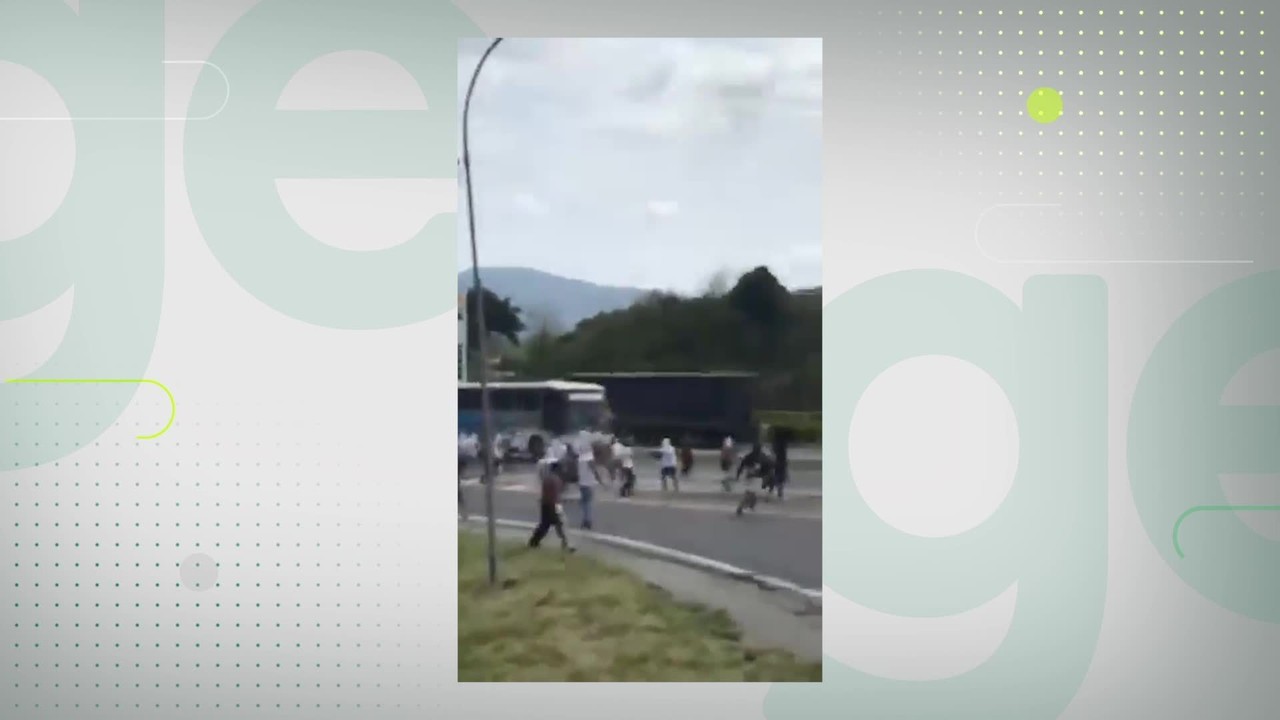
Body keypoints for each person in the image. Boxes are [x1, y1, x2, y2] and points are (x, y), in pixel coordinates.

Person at [529, 448, 572, 551]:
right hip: (554, 505)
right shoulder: (556, 480)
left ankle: (534, 541)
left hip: (545, 504)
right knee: (562, 524)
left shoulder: (547, 479)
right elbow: (556, 495)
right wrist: (558, 506)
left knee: (545, 525)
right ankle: (567, 545)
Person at [576, 440, 603, 530]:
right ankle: (588, 521)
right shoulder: (589, 459)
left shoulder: (580, 459)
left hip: (582, 483)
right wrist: (600, 480)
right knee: (588, 503)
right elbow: (594, 470)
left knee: (584, 503)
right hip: (589, 483)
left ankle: (585, 520)